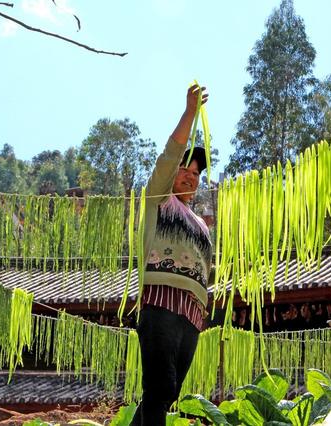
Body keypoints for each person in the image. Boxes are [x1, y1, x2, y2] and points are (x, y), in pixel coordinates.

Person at [131, 84, 211, 426]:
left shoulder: (204, 226)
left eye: (196, 173)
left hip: (190, 316)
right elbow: (168, 154)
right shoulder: (158, 199)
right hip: (161, 305)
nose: (190, 177)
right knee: (159, 386)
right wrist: (189, 113)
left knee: (166, 393)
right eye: (185, 169)